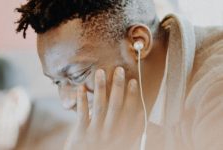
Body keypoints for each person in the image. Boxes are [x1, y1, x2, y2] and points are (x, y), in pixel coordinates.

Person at [16, 0, 223, 149]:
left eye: (78, 75)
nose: (66, 101)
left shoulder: (215, 88)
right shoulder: (122, 110)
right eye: (57, 82)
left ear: (138, 43)